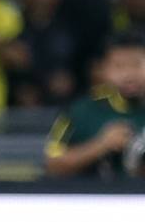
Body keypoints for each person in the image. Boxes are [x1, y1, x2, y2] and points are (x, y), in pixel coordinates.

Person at [45, 29, 145, 178]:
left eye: (136, 64)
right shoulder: (80, 112)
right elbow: (51, 164)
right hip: (94, 193)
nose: (129, 75)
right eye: (119, 66)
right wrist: (101, 145)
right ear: (102, 69)